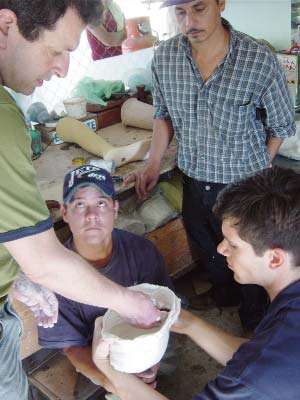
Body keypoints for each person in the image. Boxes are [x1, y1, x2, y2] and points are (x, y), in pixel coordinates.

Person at [0, 2, 160, 399]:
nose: (63, 69)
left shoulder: (139, 254)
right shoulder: (3, 119)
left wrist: (11, 273)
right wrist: (131, 304)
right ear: (6, 26)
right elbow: (47, 263)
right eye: (57, 50)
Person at [124, 0, 295, 329]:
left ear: (220, 3)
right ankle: (223, 297)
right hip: (193, 179)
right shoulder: (166, 57)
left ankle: (253, 325)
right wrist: (152, 163)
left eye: (199, 8)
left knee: (250, 260)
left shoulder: (257, 60)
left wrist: (260, 173)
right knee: (210, 250)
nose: (189, 22)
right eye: (180, 12)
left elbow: (282, 125)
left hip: (243, 187)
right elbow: (162, 116)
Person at [94, 166, 300, 399]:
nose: (221, 249)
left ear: (274, 258)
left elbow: (256, 369)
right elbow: (257, 356)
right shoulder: (289, 306)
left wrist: (110, 370)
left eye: (233, 245)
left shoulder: (253, 377)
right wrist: (187, 322)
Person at [37, 165, 174, 396]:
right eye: (80, 204)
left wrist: (151, 360)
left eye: (101, 203)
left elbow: (166, 312)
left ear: (115, 209)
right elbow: (71, 346)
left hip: (147, 345)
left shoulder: (141, 251)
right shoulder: (55, 276)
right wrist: (114, 382)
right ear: (64, 213)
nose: (92, 215)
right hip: (95, 357)